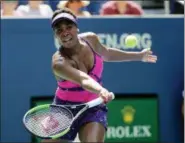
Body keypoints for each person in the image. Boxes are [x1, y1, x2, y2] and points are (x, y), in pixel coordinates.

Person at [42, 8, 157, 143]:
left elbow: (107, 53)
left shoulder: (91, 39)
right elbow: (83, 79)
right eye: (59, 30)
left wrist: (139, 56)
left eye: (69, 27)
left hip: (92, 106)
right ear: (55, 35)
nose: (65, 33)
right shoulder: (59, 63)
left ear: (77, 28)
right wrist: (101, 90)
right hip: (64, 111)